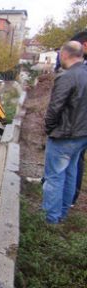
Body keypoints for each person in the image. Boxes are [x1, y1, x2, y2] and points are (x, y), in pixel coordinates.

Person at [42, 41, 87, 224]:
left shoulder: (67, 77)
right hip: (82, 135)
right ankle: (62, 213)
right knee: (70, 173)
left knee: (54, 177)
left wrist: (48, 128)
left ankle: (50, 219)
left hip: (65, 135)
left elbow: (55, 108)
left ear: (64, 55)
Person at [70, 31, 87, 205]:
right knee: (75, 159)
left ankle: (71, 196)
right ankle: (70, 197)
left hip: (77, 125)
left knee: (74, 159)